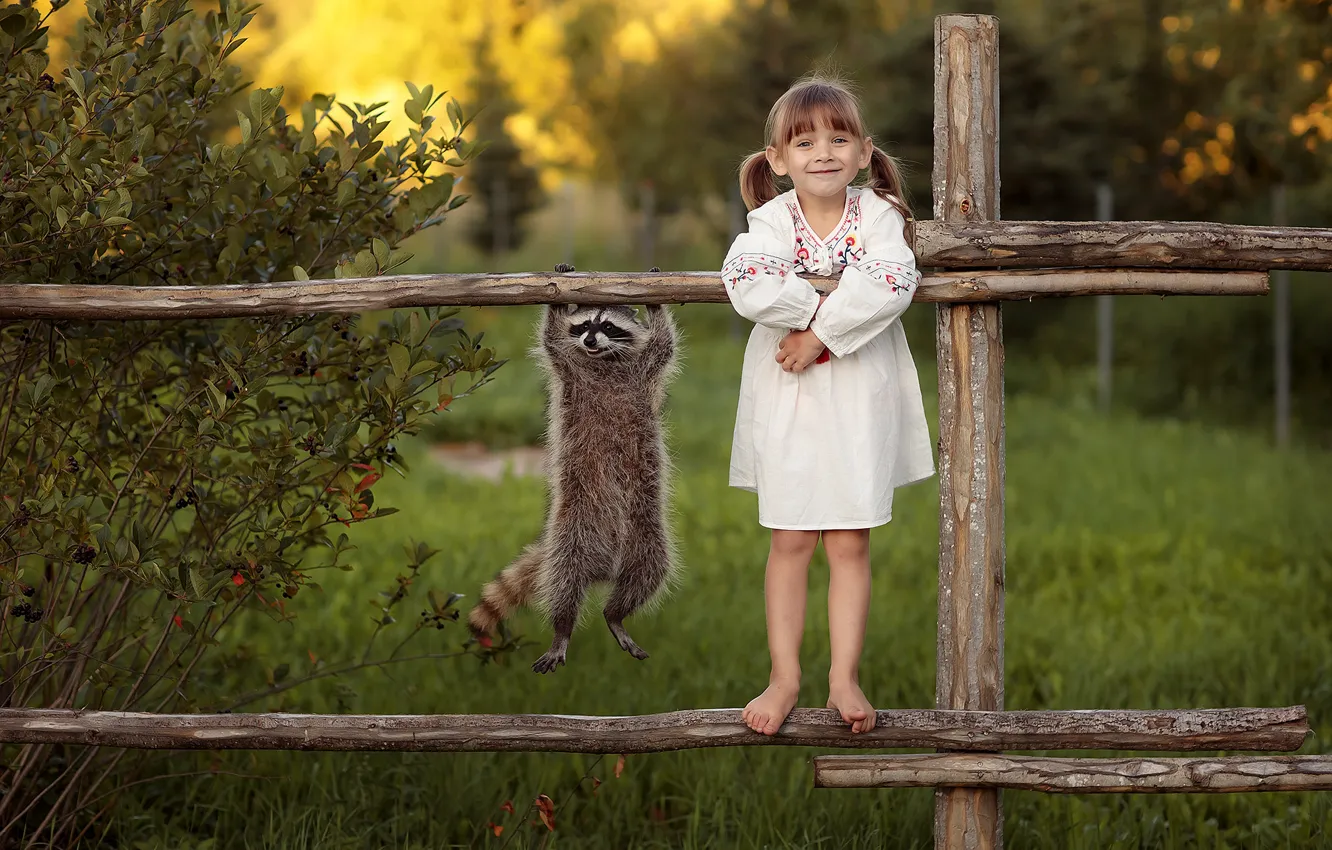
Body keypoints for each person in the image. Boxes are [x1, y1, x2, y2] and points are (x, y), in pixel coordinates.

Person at [721, 74, 935, 736]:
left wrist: (822, 334)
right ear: (778, 160)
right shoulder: (769, 221)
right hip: (789, 389)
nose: (823, 151)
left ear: (864, 153)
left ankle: (844, 675)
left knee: (848, 540)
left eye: (838, 138)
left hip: (857, 391)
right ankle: (785, 675)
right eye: (805, 141)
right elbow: (748, 282)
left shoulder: (878, 217)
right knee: (790, 539)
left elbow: (893, 278)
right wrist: (808, 320)